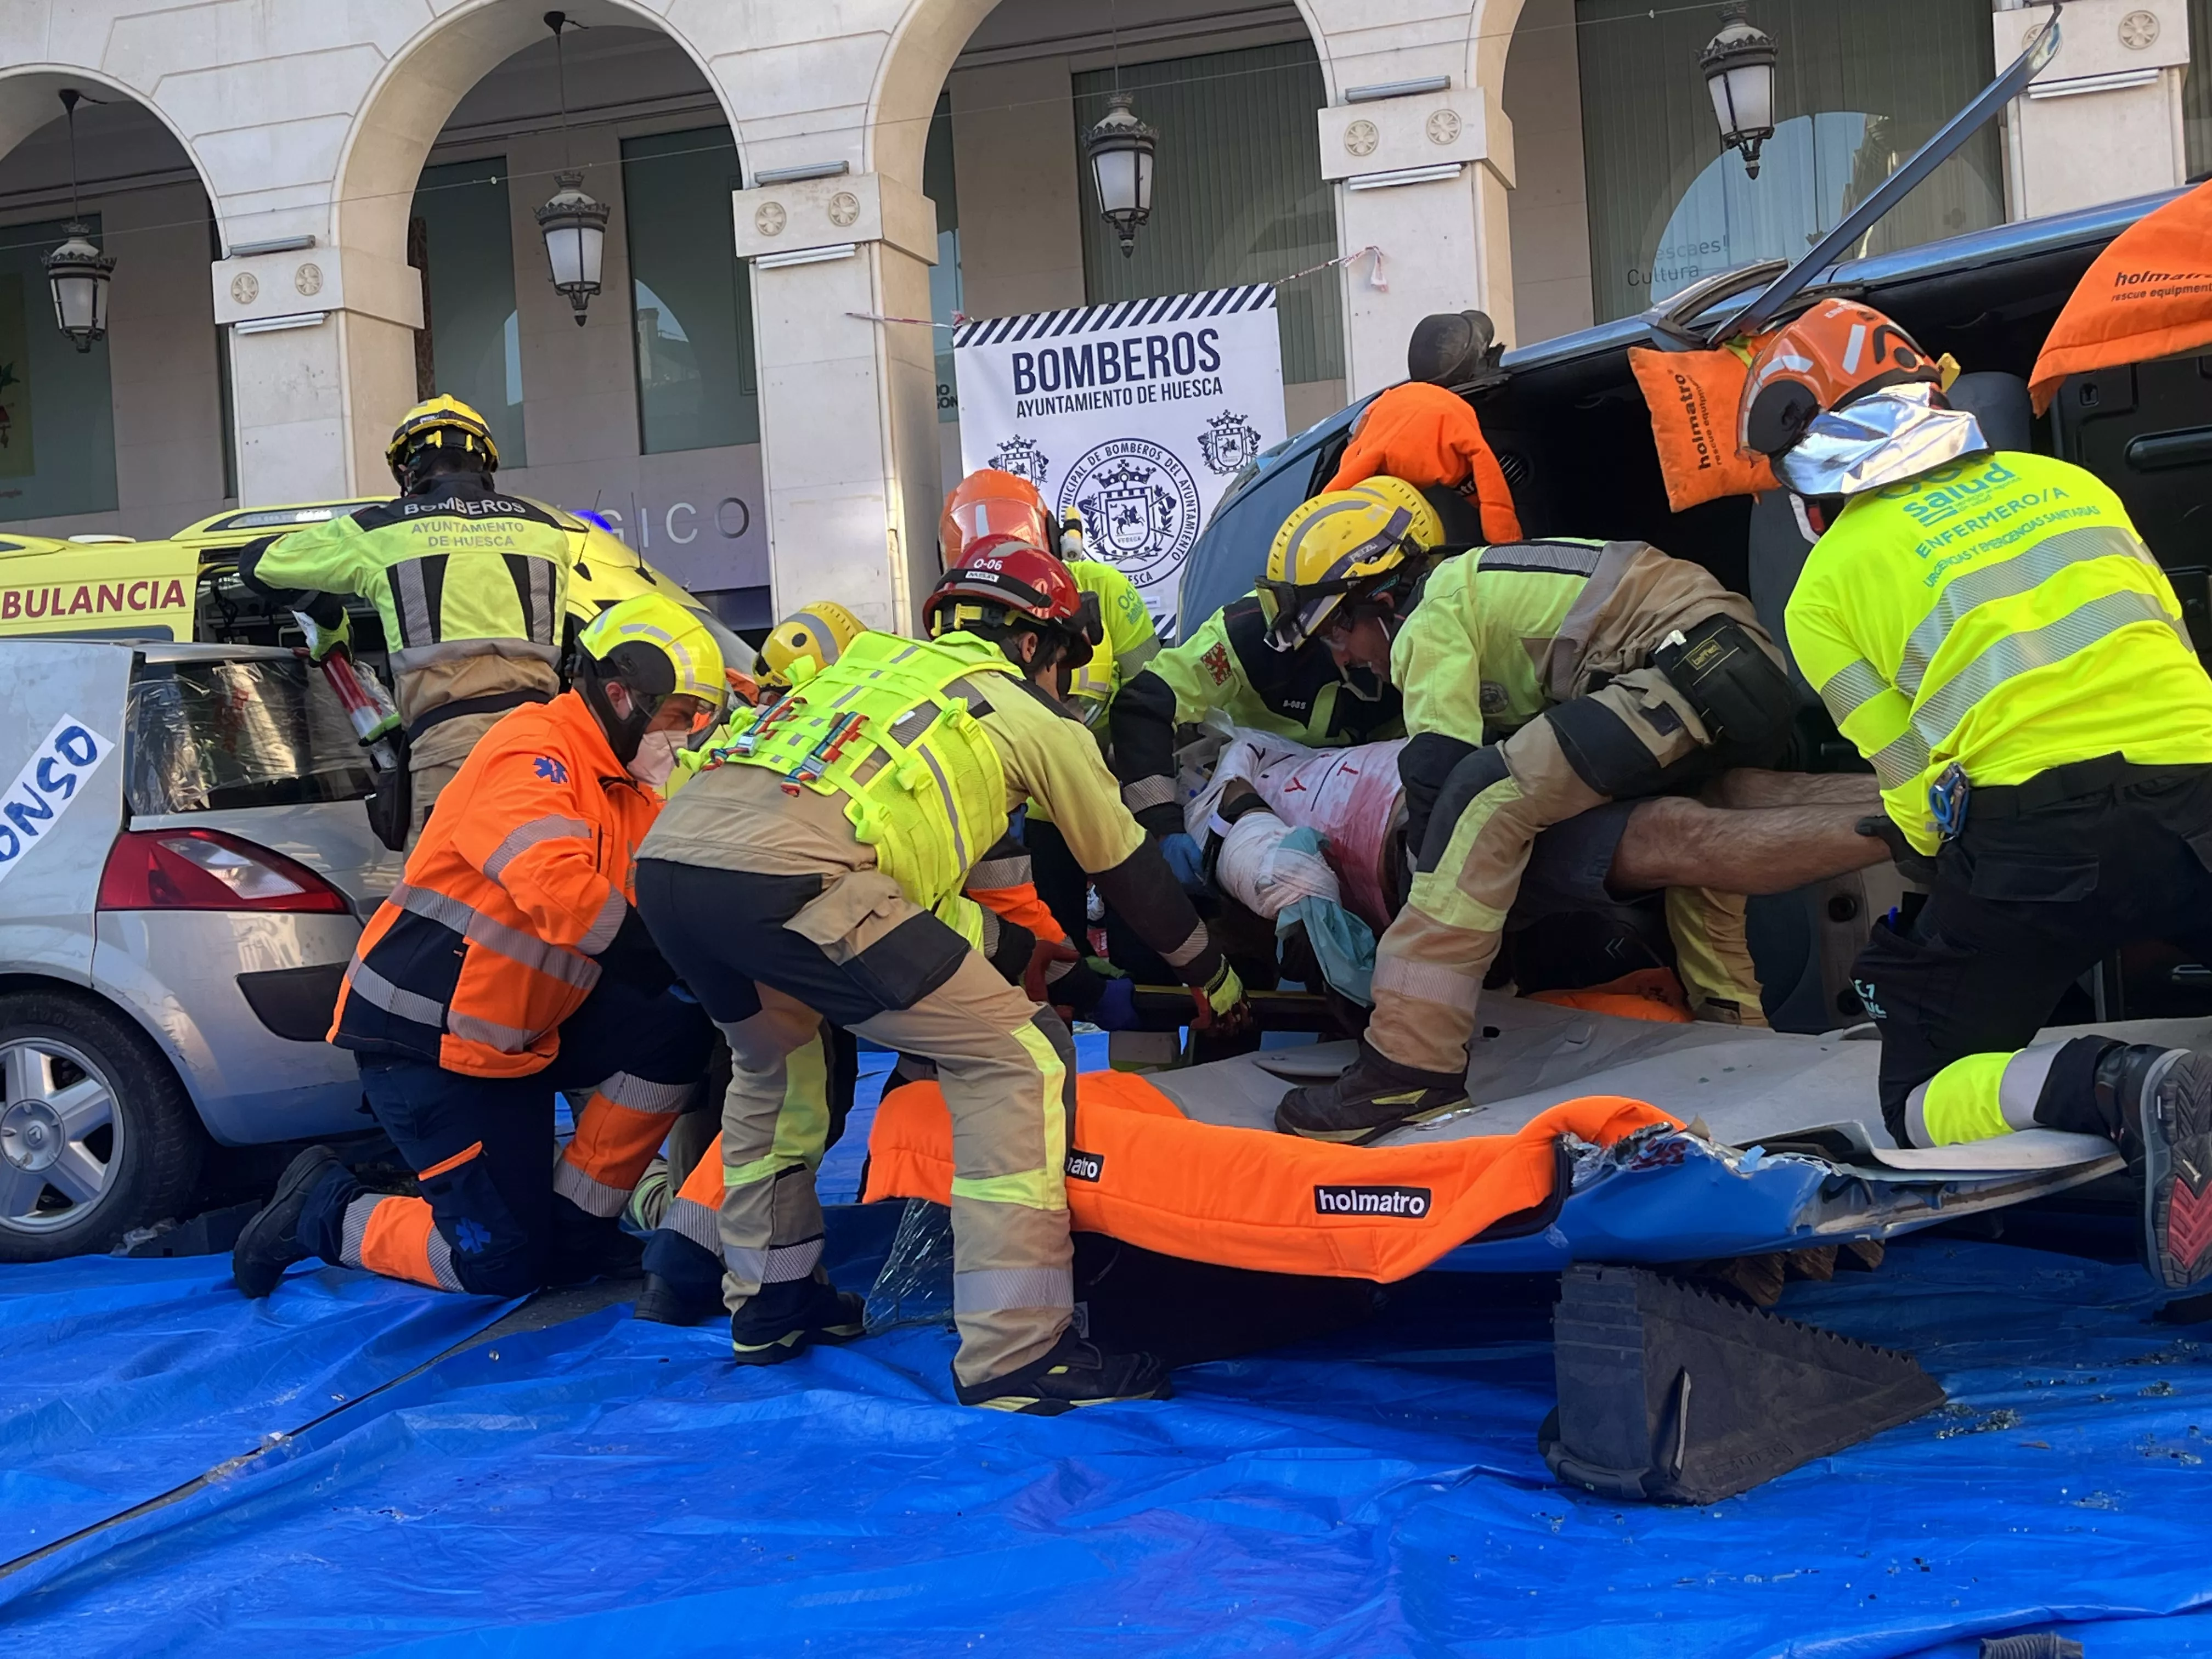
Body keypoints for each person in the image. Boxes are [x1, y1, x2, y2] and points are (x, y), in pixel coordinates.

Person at [630, 539, 1246, 1410]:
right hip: (802, 882)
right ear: (1037, 645)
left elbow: (943, 921)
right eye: (1065, 660)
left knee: (778, 1068)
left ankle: (772, 1300)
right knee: (1018, 1060)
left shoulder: (865, 676)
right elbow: (1129, 871)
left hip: (673, 871)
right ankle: (1019, 1354)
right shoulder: (1028, 715)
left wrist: (1064, 974)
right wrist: (1212, 978)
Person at [1745, 298, 2212, 1288]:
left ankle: (2121, 1085)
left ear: (1801, 452)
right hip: (2201, 791)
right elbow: (2166, 635)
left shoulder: (1822, 588)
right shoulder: (2069, 482)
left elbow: (1912, 788)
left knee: (1916, 1094)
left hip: (2036, 842)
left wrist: (1936, 867)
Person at [230, 595, 726, 1299]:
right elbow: (556, 885)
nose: (690, 735)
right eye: (681, 716)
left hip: (520, 1031)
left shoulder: (627, 790)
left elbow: (668, 894)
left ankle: (579, 1231)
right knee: (497, 1262)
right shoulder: (535, 750)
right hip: (427, 1042)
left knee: (678, 1025)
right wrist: (679, 960)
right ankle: (322, 1210)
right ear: (621, 696)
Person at [1269, 491, 1799, 1142]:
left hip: (1686, 664)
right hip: (1735, 664)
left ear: (1379, 601)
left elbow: (1441, 774)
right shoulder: (1491, 590)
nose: (1341, 657)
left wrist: (1429, 905)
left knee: (1479, 799)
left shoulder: (1431, 613)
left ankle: (1407, 1065)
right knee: (1700, 873)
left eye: (1334, 631)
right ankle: (1741, 1040)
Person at [237, 396, 590, 846]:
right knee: (545, 886)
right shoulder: (546, 530)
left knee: (445, 900)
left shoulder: (382, 530)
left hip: (449, 749)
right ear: (485, 463)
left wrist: (329, 620)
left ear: (407, 471)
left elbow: (258, 564)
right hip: (545, 747)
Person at [1109, 477, 1442, 886]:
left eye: (1338, 633)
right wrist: (1163, 826)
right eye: (1328, 634)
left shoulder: (1440, 641)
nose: (1341, 656)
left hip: (1369, 823)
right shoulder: (1250, 637)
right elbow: (1144, 705)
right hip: (1260, 806)